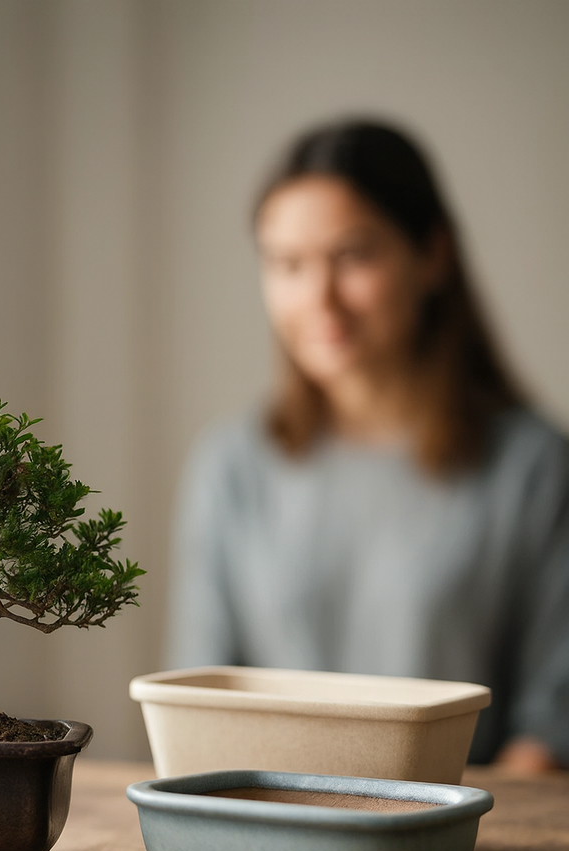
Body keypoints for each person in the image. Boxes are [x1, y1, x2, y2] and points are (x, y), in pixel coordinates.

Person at [167, 119, 569, 771]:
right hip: (269, 827)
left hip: (468, 829)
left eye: (353, 256)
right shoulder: (231, 468)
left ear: (432, 255)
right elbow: (199, 714)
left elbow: (552, 725)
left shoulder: (535, 468)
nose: (320, 297)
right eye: (288, 264)